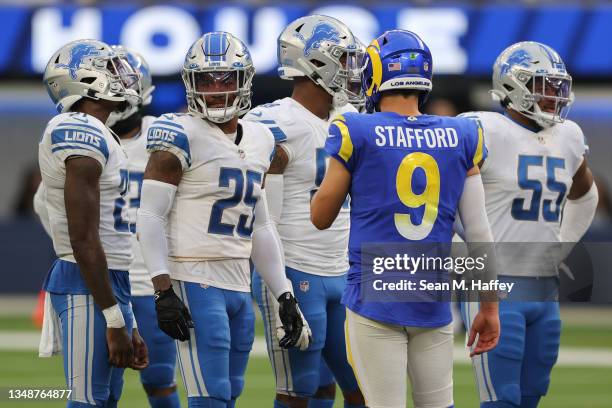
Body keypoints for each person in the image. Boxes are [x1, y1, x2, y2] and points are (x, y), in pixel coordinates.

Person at [310, 29, 501, 408]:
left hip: (374, 298)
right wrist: (489, 307)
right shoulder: (462, 133)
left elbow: (320, 217)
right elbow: (479, 230)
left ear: (376, 75)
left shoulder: (355, 129)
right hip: (431, 299)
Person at [136, 31, 310, 408]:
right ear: (190, 83)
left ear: (244, 80)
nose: (216, 89)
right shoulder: (180, 132)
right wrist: (162, 289)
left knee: (230, 392)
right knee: (210, 396)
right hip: (193, 277)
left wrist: (285, 294)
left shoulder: (262, 139)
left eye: (226, 79)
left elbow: (261, 225)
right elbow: (149, 215)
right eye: (206, 80)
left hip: (238, 282)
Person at [458, 41, 598, 408]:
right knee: (501, 399)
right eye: (543, 85)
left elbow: (586, 195)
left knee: (532, 395)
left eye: (557, 86)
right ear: (512, 86)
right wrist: (470, 246)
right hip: (495, 283)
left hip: (544, 288)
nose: (554, 95)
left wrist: (562, 246)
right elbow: (437, 197)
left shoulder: (569, 136)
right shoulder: (480, 129)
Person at [244, 14, 365, 408]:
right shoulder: (274, 122)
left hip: (344, 268)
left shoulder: (350, 119)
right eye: (343, 60)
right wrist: (279, 288)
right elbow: (264, 218)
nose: (352, 71)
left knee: (362, 387)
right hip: (296, 266)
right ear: (315, 64)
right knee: (301, 389)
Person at [38, 39, 148, 407]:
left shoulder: (102, 132)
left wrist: (125, 318)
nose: (122, 75)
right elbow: (84, 237)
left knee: (105, 400)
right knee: (88, 401)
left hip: (110, 279)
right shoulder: (76, 128)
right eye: (110, 68)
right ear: (85, 80)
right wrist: (114, 317)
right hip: (86, 280)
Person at [107, 45, 182, 408]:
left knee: (160, 379)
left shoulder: (166, 135)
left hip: (153, 279)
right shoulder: (87, 139)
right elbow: (48, 206)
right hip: (104, 278)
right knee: (97, 385)